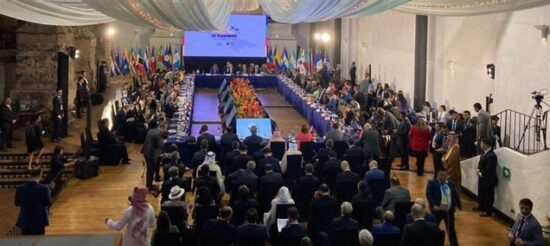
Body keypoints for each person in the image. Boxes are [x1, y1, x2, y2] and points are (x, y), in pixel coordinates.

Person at [426, 169, 461, 246]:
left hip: (448, 211)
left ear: (447, 176)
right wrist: (433, 205)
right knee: (434, 227)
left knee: (451, 229)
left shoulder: (451, 184)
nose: (443, 177)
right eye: (441, 175)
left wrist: (457, 205)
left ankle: (454, 244)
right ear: (437, 175)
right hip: (437, 210)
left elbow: (454, 195)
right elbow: (429, 195)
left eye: (444, 176)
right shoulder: (432, 183)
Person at [15, 169, 52, 235]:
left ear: (30, 175)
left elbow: (17, 203)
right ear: (40, 175)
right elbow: (49, 203)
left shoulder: (20, 188)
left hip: (25, 220)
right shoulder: (44, 188)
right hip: (39, 220)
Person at [476, 138, 498, 217]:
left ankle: (487, 210)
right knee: (481, 192)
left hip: (488, 179)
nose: (480, 144)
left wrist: (481, 173)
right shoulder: (483, 153)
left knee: (488, 194)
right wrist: (478, 171)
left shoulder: (492, 155)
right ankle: (481, 206)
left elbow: (489, 168)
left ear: (486, 144)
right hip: (482, 177)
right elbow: (480, 164)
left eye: (481, 143)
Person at [142, 120, 162, 189]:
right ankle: (149, 185)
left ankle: (155, 178)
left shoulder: (150, 131)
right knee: (151, 169)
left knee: (152, 168)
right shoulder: (157, 133)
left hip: (147, 152)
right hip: (151, 154)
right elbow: (159, 145)